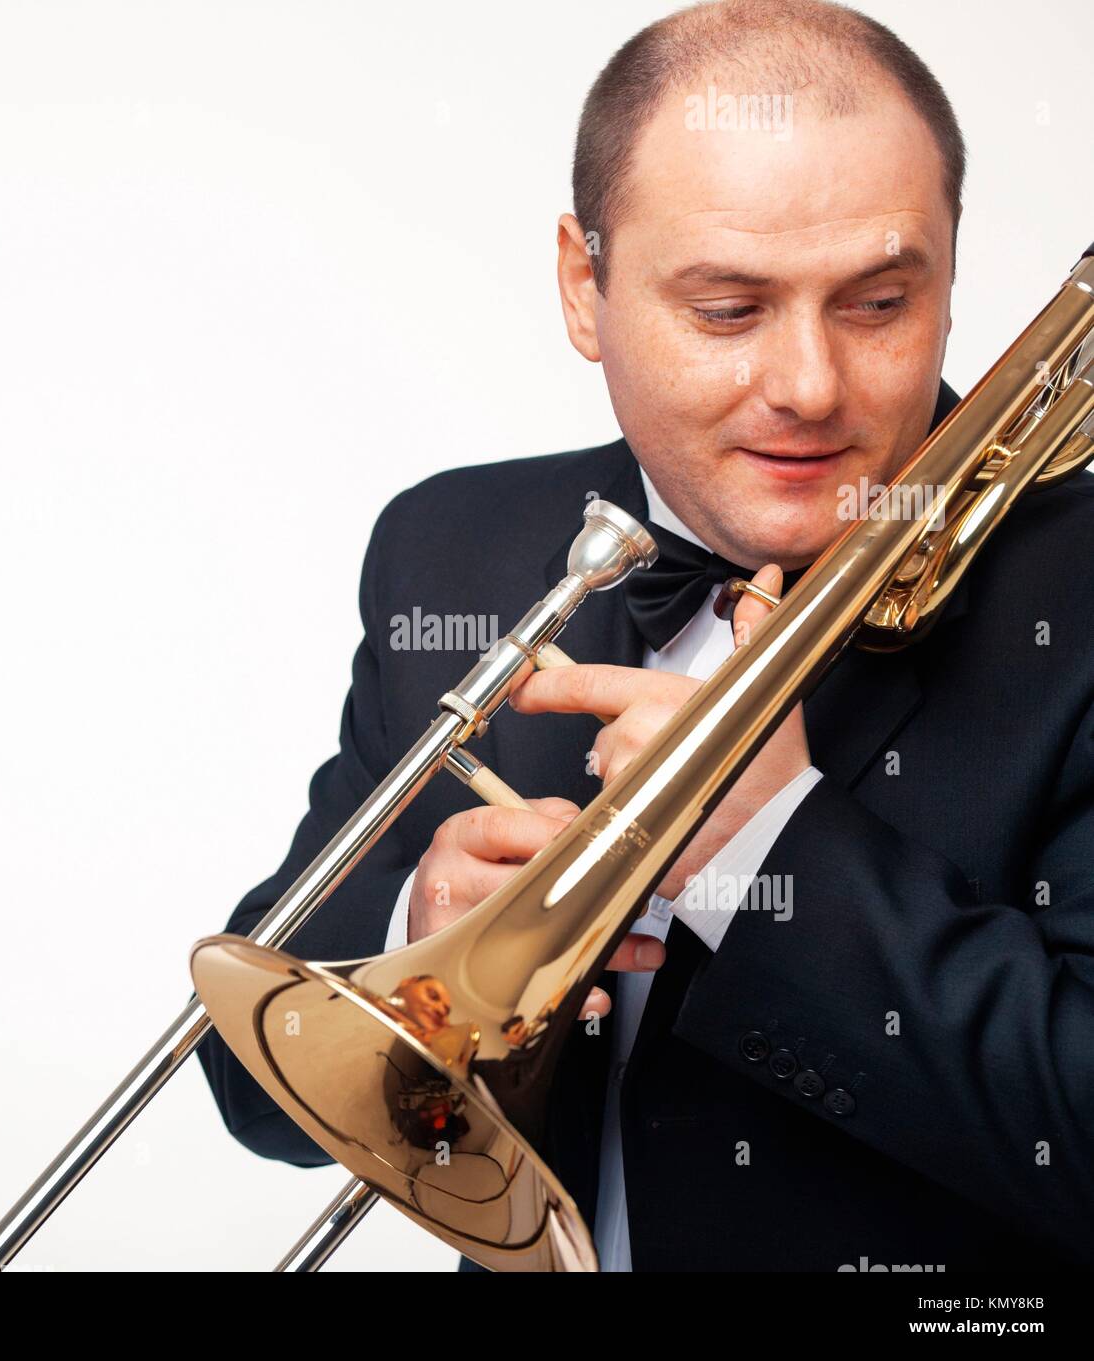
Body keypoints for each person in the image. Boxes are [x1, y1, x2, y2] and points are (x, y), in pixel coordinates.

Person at [197, 0, 1094, 1271]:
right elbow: (255, 1086)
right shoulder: (454, 548)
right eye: (728, 309)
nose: (809, 386)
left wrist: (774, 846)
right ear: (585, 285)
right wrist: (416, 941)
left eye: (879, 302)